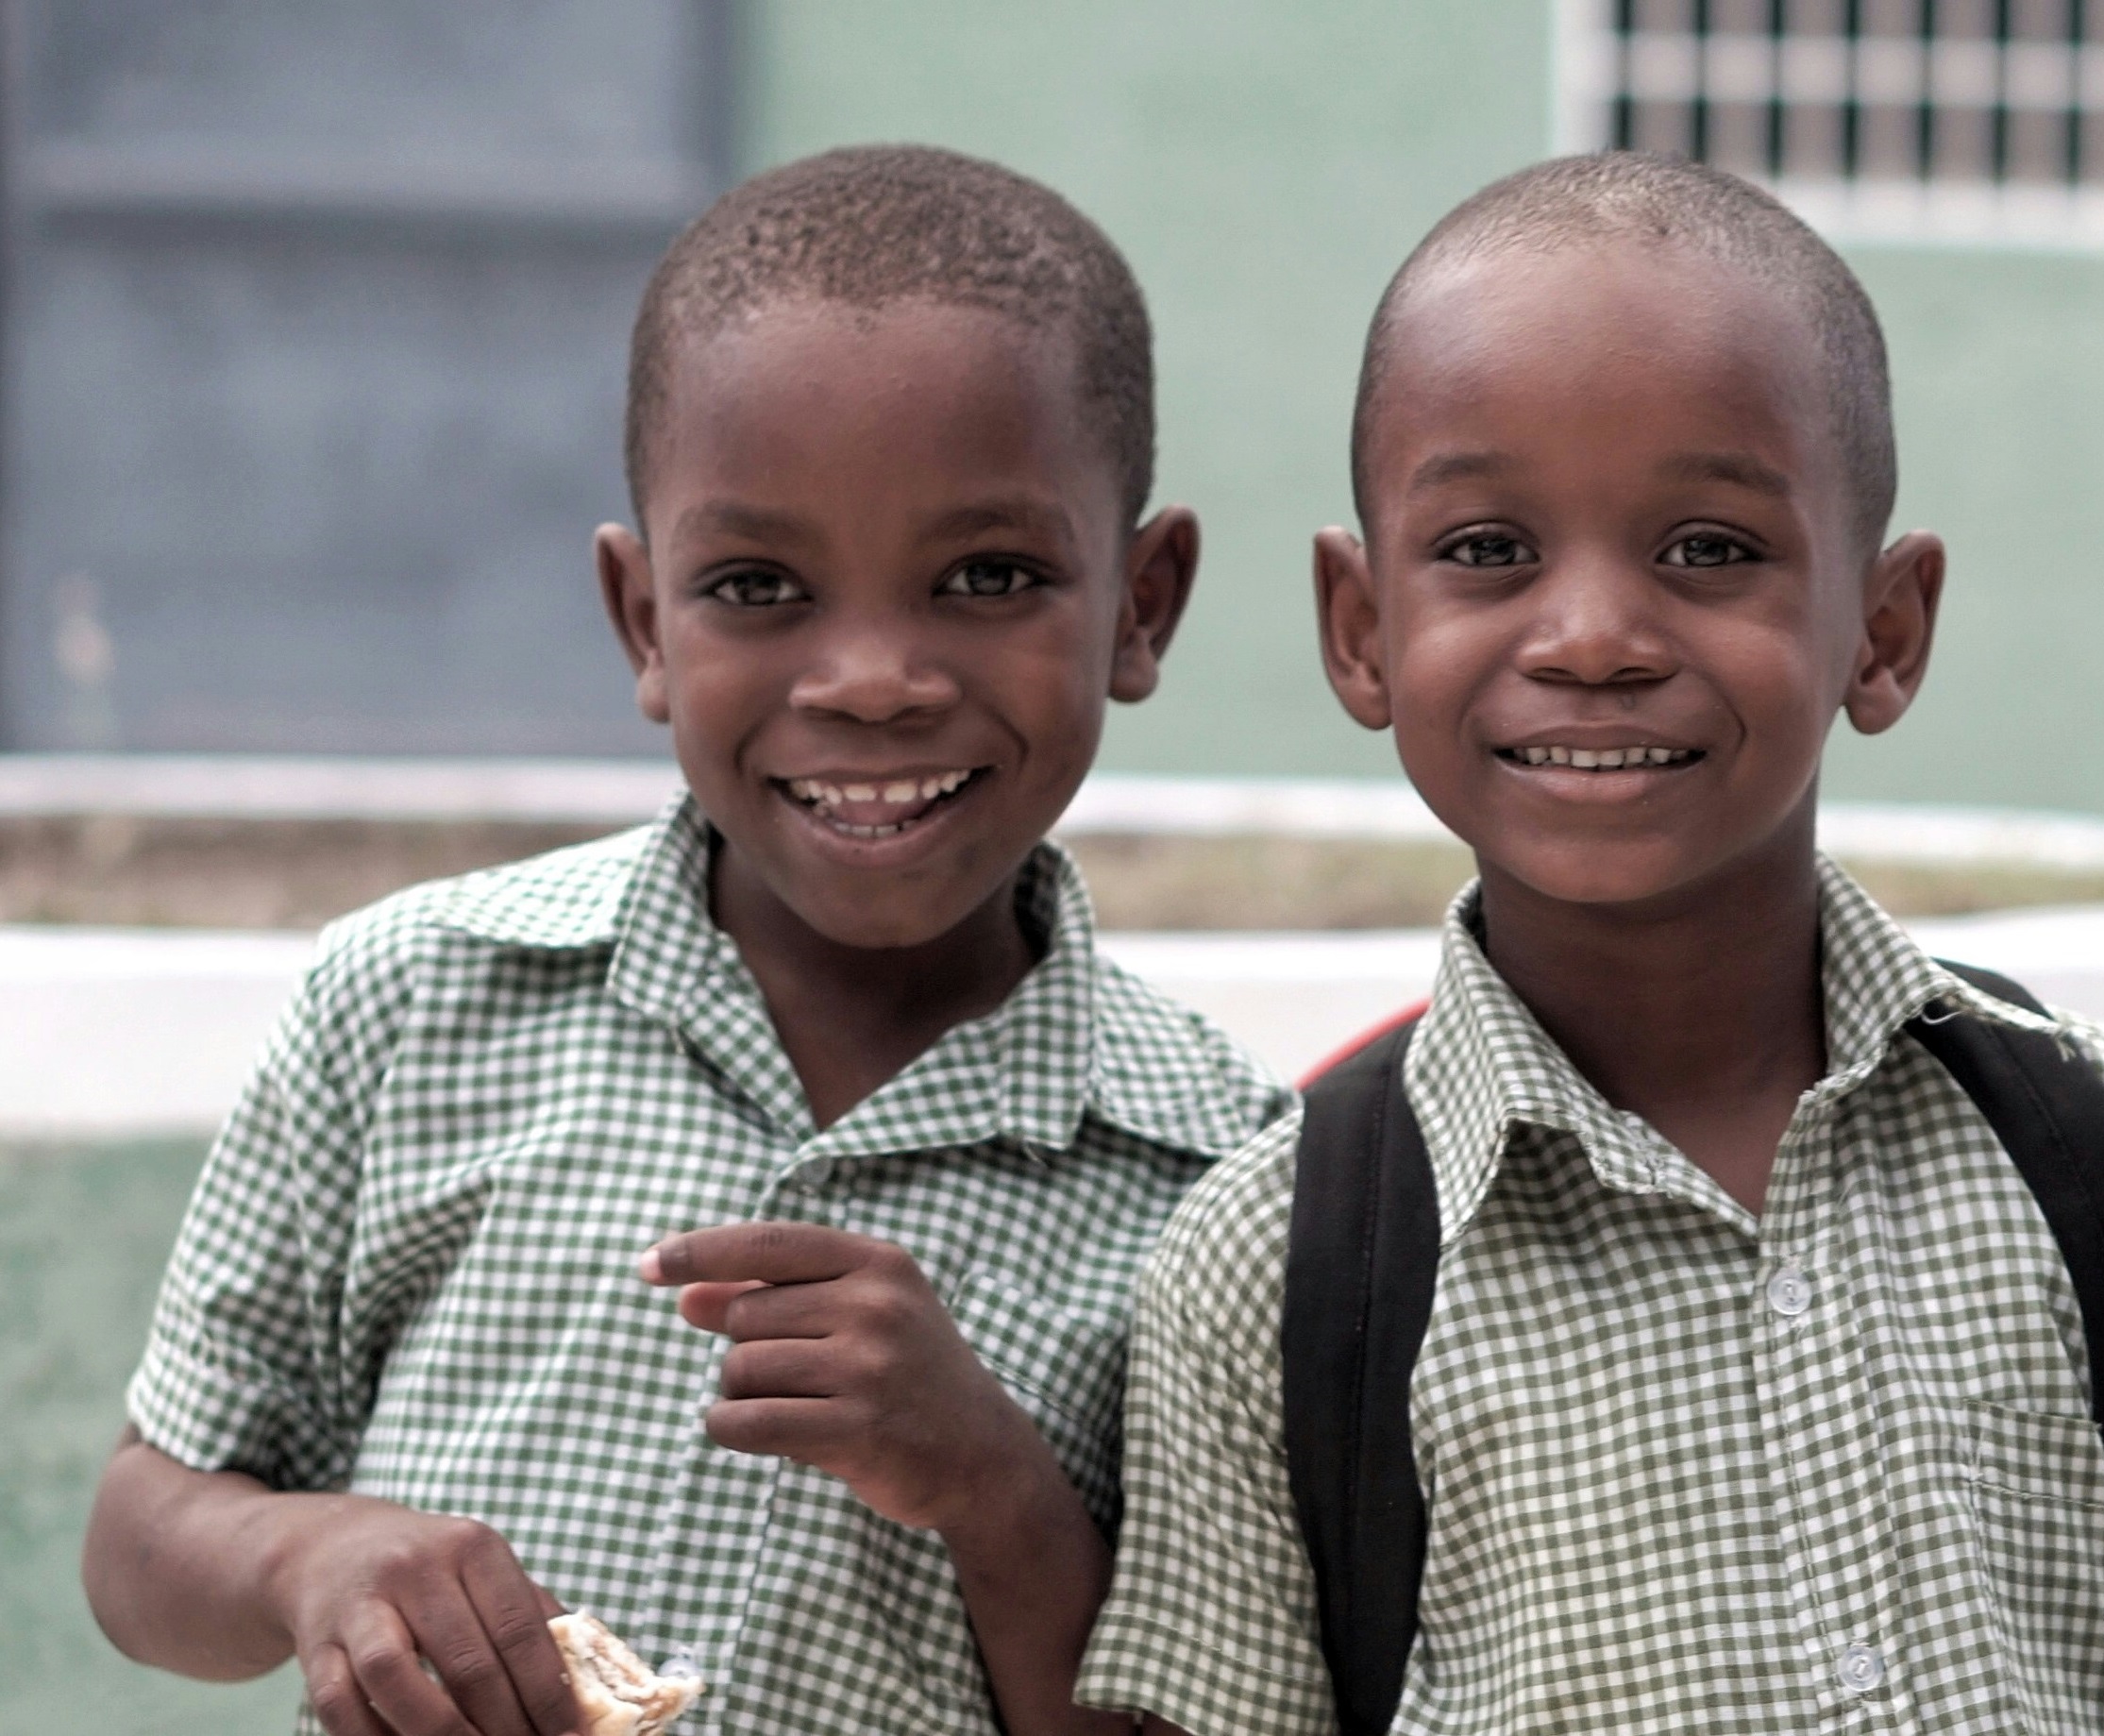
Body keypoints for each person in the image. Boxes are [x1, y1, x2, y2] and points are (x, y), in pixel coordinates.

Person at [1077, 153, 2104, 1734]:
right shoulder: (1279, 1272)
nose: (1590, 639)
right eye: (1487, 550)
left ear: (1884, 628)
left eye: (1708, 549)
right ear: (1360, 630)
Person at [82, 144, 1287, 1736]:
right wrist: (308, 1556)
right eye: (758, 586)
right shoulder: (414, 1004)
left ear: (1140, 603)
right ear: (643, 620)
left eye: (986, 576)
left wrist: (994, 1487)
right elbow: (138, 1543)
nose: (869, 679)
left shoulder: (1222, 1178)